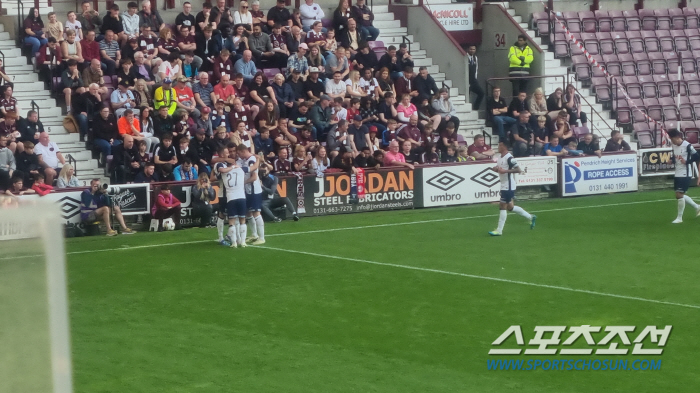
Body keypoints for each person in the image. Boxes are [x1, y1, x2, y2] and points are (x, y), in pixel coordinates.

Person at [489, 141, 536, 236]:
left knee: (502, 206)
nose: (498, 147)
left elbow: (518, 170)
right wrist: (496, 169)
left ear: (505, 147)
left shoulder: (509, 158)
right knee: (510, 207)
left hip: (508, 186)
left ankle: (499, 230)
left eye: (500, 145)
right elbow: (501, 169)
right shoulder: (500, 158)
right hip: (504, 184)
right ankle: (530, 217)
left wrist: (505, 171)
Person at [668, 129, 700, 223]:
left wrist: (687, 162)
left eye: (672, 139)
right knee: (678, 195)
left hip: (685, 173)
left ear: (678, 137)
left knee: (679, 194)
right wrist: (671, 161)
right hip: (677, 172)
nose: (672, 141)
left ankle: (679, 218)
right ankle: (697, 207)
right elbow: (674, 157)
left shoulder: (687, 146)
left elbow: (697, 157)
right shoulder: (673, 145)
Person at [236, 144, 266, 245]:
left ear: (242, 151)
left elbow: (254, 177)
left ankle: (262, 237)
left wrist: (243, 183)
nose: (238, 156)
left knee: (256, 212)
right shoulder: (247, 159)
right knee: (248, 212)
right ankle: (254, 234)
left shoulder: (251, 160)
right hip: (247, 190)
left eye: (239, 153)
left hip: (254, 189)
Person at [466, 45, 484, 111]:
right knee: (467, 94)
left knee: (481, 93)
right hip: (467, 80)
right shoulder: (465, 57)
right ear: (468, 49)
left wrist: (475, 78)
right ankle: (467, 109)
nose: (472, 51)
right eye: (471, 49)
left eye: (474, 49)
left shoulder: (475, 58)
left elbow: (476, 68)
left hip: (473, 80)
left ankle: (475, 108)